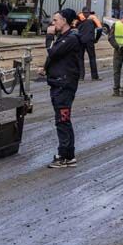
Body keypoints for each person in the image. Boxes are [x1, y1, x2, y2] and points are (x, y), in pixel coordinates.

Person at [42, 9, 83, 168]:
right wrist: (46, 68)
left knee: (62, 120)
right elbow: (56, 56)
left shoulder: (71, 38)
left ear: (64, 21)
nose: (53, 23)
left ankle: (64, 156)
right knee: (63, 119)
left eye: (56, 20)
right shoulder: (64, 37)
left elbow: (53, 52)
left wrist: (49, 37)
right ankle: (69, 155)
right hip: (59, 82)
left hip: (64, 85)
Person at [76, 8, 102, 80]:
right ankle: (94, 77)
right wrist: (96, 39)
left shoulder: (78, 19)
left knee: (80, 59)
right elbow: (100, 29)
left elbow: (73, 29)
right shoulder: (93, 19)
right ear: (89, 13)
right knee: (92, 58)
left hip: (80, 41)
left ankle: (81, 76)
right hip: (90, 41)